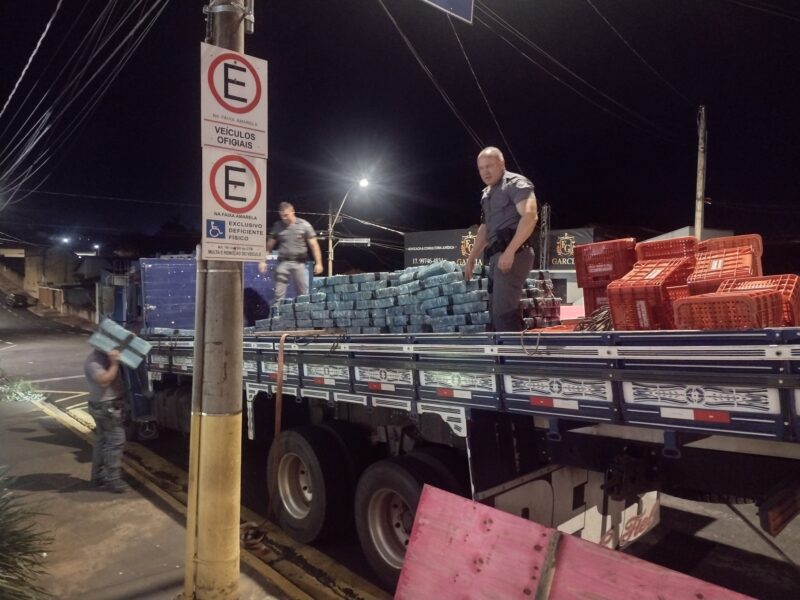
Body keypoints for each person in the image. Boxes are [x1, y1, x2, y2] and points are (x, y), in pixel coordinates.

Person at [465, 147, 538, 331]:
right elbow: (485, 228)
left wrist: (510, 250)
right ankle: (504, 354)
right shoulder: (487, 193)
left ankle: (516, 357)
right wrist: (472, 258)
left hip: (515, 253)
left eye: (489, 166)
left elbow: (530, 217)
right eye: (481, 168)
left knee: (503, 313)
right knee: (496, 313)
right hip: (498, 255)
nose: (485, 171)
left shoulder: (516, 183)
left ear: (502, 164)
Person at [84, 348, 129, 493]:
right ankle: (113, 480)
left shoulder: (102, 356)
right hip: (106, 407)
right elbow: (104, 381)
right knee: (115, 442)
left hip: (104, 406)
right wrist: (114, 364)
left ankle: (98, 477)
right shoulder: (94, 360)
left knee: (102, 442)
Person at [259, 202, 324, 301]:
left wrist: (319, 263)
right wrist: (263, 261)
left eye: (286, 215)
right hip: (283, 263)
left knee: (303, 294)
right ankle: (277, 314)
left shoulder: (304, 225)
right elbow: (269, 246)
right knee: (278, 294)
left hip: (299, 263)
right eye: (282, 216)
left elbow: (314, 245)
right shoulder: (278, 226)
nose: (284, 218)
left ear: (292, 212)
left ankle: (303, 315)